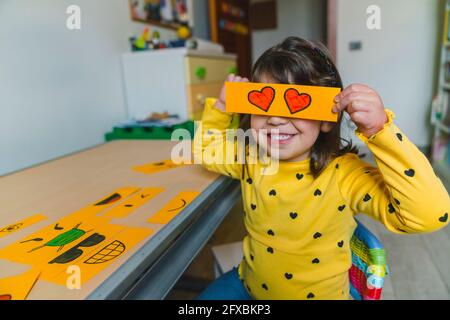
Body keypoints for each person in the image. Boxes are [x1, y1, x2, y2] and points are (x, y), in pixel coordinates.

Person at [193, 37, 450, 300]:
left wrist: (380, 131)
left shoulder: (343, 174)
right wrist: (223, 108)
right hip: (250, 286)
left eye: (297, 105)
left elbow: (430, 214)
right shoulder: (251, 156)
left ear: (328, 120)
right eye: (263, 103)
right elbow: (206, 151)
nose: (276, 118)